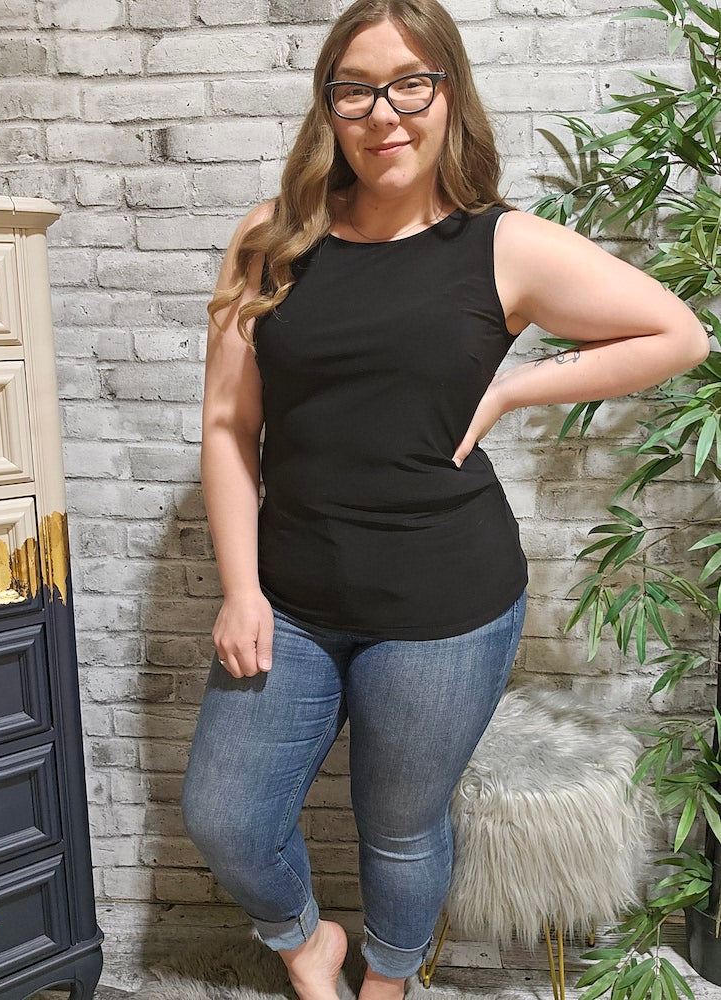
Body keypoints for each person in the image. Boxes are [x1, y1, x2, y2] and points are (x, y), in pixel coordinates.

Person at [180, 0, 710, 997]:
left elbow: (677, 334)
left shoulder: (502, 246)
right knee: (228, 817)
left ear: (449, 92)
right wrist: (241, 589)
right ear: (328, 106)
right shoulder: (270, 238)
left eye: (409, 84)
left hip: (445, 606)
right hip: (289, 598)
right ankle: (308, 944)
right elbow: (225, 427)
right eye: (355, 90)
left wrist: (515, 386)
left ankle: (388, 978)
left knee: (401, 825)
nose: (383, 113)